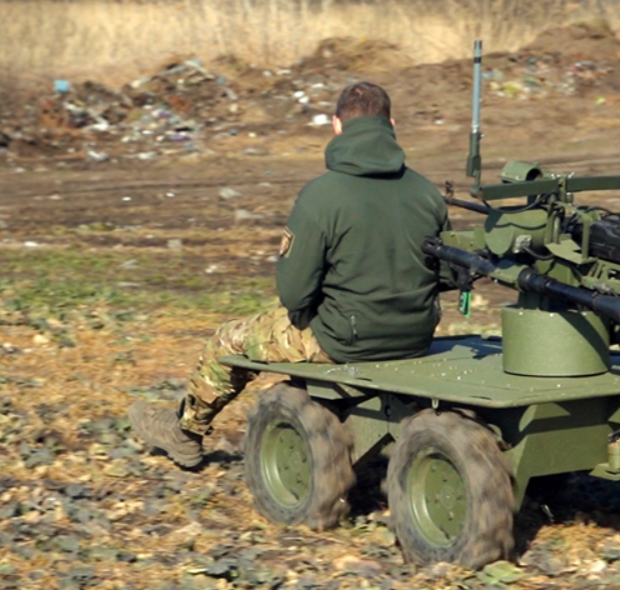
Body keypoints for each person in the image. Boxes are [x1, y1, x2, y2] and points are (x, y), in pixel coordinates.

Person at [128, 81, 455, 468]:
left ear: (337, 125)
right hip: (414, 337)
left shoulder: (321, 195)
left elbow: (295, 294)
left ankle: (185, 433)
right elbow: (448, 275)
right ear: (392, 124)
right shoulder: (426, 192)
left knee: (228, 342)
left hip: (341, 340)